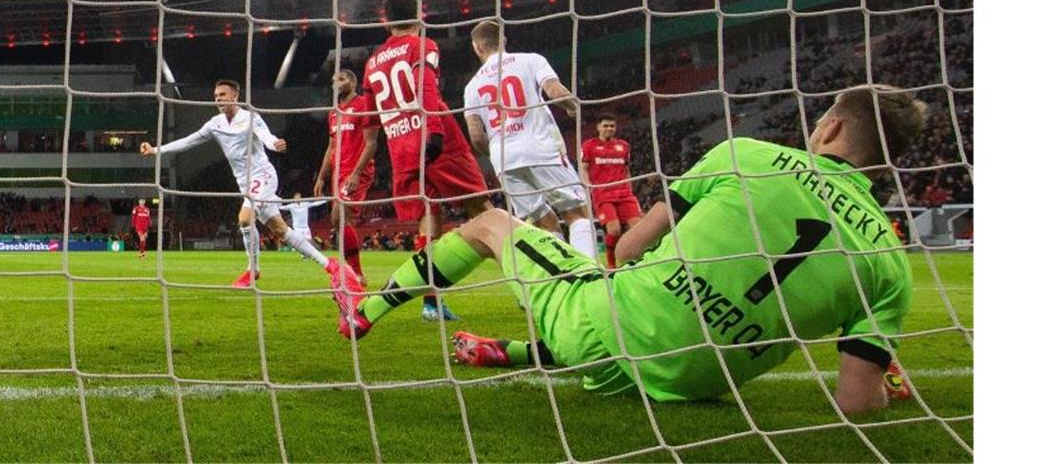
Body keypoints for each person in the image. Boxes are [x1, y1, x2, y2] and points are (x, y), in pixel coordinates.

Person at [335, 86, 924, 414]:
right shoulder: (890, 262)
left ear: (831, 130)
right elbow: (855, 402)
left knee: (491, 222)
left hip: (613, 331)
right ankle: (511, 351)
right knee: (622, 315)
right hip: (696, 383)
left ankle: (366, 310)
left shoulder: (749, 154)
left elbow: (635, 245)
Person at [140, 79, 358, 294]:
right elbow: (188, 141)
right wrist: (156, 150)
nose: (218, 100)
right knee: (281, 230)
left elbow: (266, 137)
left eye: (222, 95)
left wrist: (275, 144)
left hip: (263, 176)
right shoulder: (214, 124)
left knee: (244, 218)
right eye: (216, 96)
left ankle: (252, 270)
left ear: (235, 96)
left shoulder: (251, 118)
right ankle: (330, 265)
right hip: (246, 184)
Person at [361, 0, 494, 321]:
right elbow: (426, 87)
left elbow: (369, 118)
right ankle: (527, 288)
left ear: (386, 21)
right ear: (419, 16)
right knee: (483, 209)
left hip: (400, 145)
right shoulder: (422, 45)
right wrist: (433, 130)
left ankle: (432, 303)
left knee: (428, 220)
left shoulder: (372, 62)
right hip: (435, 136)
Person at [462, 20, 597, 259]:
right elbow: (555, 91)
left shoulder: (472, 86)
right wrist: (573, 107)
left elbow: (475, 135)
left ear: (476, 48)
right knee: (577, 214)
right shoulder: (530, 60)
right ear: (503, 40)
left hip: (504, 159)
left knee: (544, 224)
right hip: (541, 149)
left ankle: (561, 279)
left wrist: (494, 150)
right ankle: (590, 274)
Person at [314, 69, 378, 281]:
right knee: (338, 220)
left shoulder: (363, 106)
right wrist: (322, 176)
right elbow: (331, 147)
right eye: (333, 81)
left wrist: (356, 174)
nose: (336, 84)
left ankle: (357, 273)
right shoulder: (334, 113)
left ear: (352, 81)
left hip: (356, 171)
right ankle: (354, 271)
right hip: (338, 173)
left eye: (340, 80)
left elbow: (371, 143)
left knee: (341, 215)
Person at [580, 114, 643, 268]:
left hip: (624, 194)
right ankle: (612, 265)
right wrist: (588, 187)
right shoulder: (589, 146)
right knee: (614, 230)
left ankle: (640, 260)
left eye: (612, 126)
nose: (609, 129)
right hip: (603, 195)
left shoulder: (623, 146)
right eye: (606, 125)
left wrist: (629, 188)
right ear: (598, 127)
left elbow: (626, 169)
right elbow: (584, 168)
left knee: (639, 228)